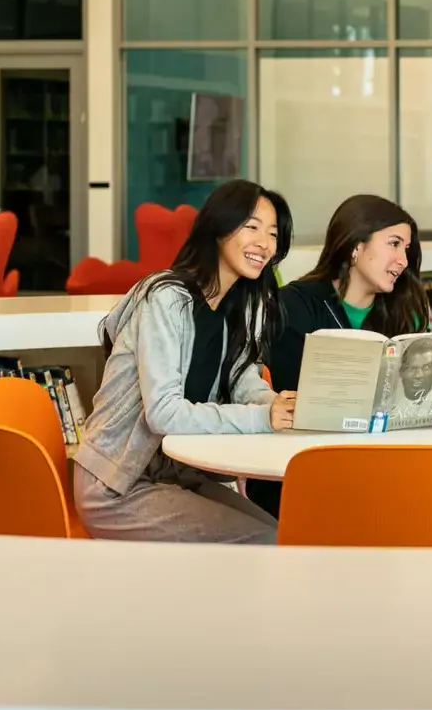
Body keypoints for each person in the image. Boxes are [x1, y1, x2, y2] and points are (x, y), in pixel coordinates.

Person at [71, 179, 296, 545]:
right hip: (116, 484)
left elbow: (243, 382)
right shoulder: (166, 299)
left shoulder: (236, 305)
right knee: (265, 543)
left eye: (272, 233)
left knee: (282, 535)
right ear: (219, 227)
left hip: (175, 475)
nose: (265, 244)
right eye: (251, 227)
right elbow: (162, 412)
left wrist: (278, 405)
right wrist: (260, 418)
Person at [247, 194, 429, 517]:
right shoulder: (295, 305)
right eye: (394, 243)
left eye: (407, 248)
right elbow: (294, 401)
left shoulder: (406, 312)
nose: (403, 259)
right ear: (356, 247)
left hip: (387, 463)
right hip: (308, 464)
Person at [388, 336, 432, 414]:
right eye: (412, 368)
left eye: (426, 367)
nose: (419, 375)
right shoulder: (391, 394)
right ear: (402, 371)